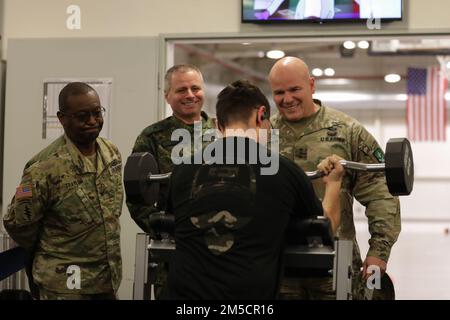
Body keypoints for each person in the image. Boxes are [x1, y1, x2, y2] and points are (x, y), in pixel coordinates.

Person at [167, 79, 344, 299]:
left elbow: (168, 226)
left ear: (217, 124)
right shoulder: (285, 171)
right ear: (261, 116)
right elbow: (324, 229)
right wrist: (334, 183)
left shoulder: (182, 171)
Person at [268, 56, 401, 299]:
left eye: (295, 89)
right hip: (279, 264)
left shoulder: (346, 131)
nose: (287, 99)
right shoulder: (263, 134)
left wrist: (379, 252)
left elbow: (381, 192)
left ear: (311, 85)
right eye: (279, 92)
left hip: (337, 264)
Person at [3, 82, 123, 300]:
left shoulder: (111, 153)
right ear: (62, 118)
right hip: (64, 286)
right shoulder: (44, 166)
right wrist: (52, 248)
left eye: (97, 113)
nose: (92, 121)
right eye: (82, 116)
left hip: (106, 278)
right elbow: (19, 223)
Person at [126, 64, 216, 299]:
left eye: (195, 88)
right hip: (173, 254)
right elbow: (136, 198)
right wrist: (163, 231)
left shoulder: (223, 133)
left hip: (219, 252)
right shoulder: (152, 137)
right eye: (181, 90)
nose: (190, 95)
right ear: (167, 96)